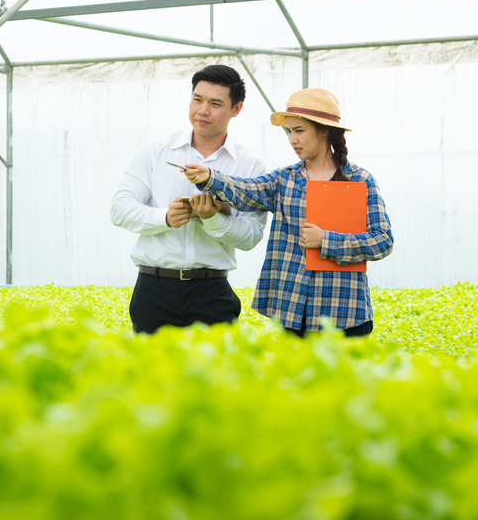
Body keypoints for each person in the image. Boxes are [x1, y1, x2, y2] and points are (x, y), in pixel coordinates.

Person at [181, 87, 393, 337]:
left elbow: (382, 241)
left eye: (299, 130)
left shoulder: (360, 180)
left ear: (324, 130)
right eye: (289, 131)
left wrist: (326, 240)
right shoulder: (284, 179)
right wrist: (210, 177)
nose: (292, 139)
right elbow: (245, 190)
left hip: (344, 312)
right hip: (291, 310)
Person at [110, 64, 268, 334]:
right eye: (197, 99)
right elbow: (120, 209)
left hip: (213, 294)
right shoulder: (155, 152)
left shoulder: (250, 166)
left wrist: (213, 219)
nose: (202, 110)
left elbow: (251, 236)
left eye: (215, 103)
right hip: (153, 289)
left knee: (213, 375)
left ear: (236, 109)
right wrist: (166, 218)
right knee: (153, 374)